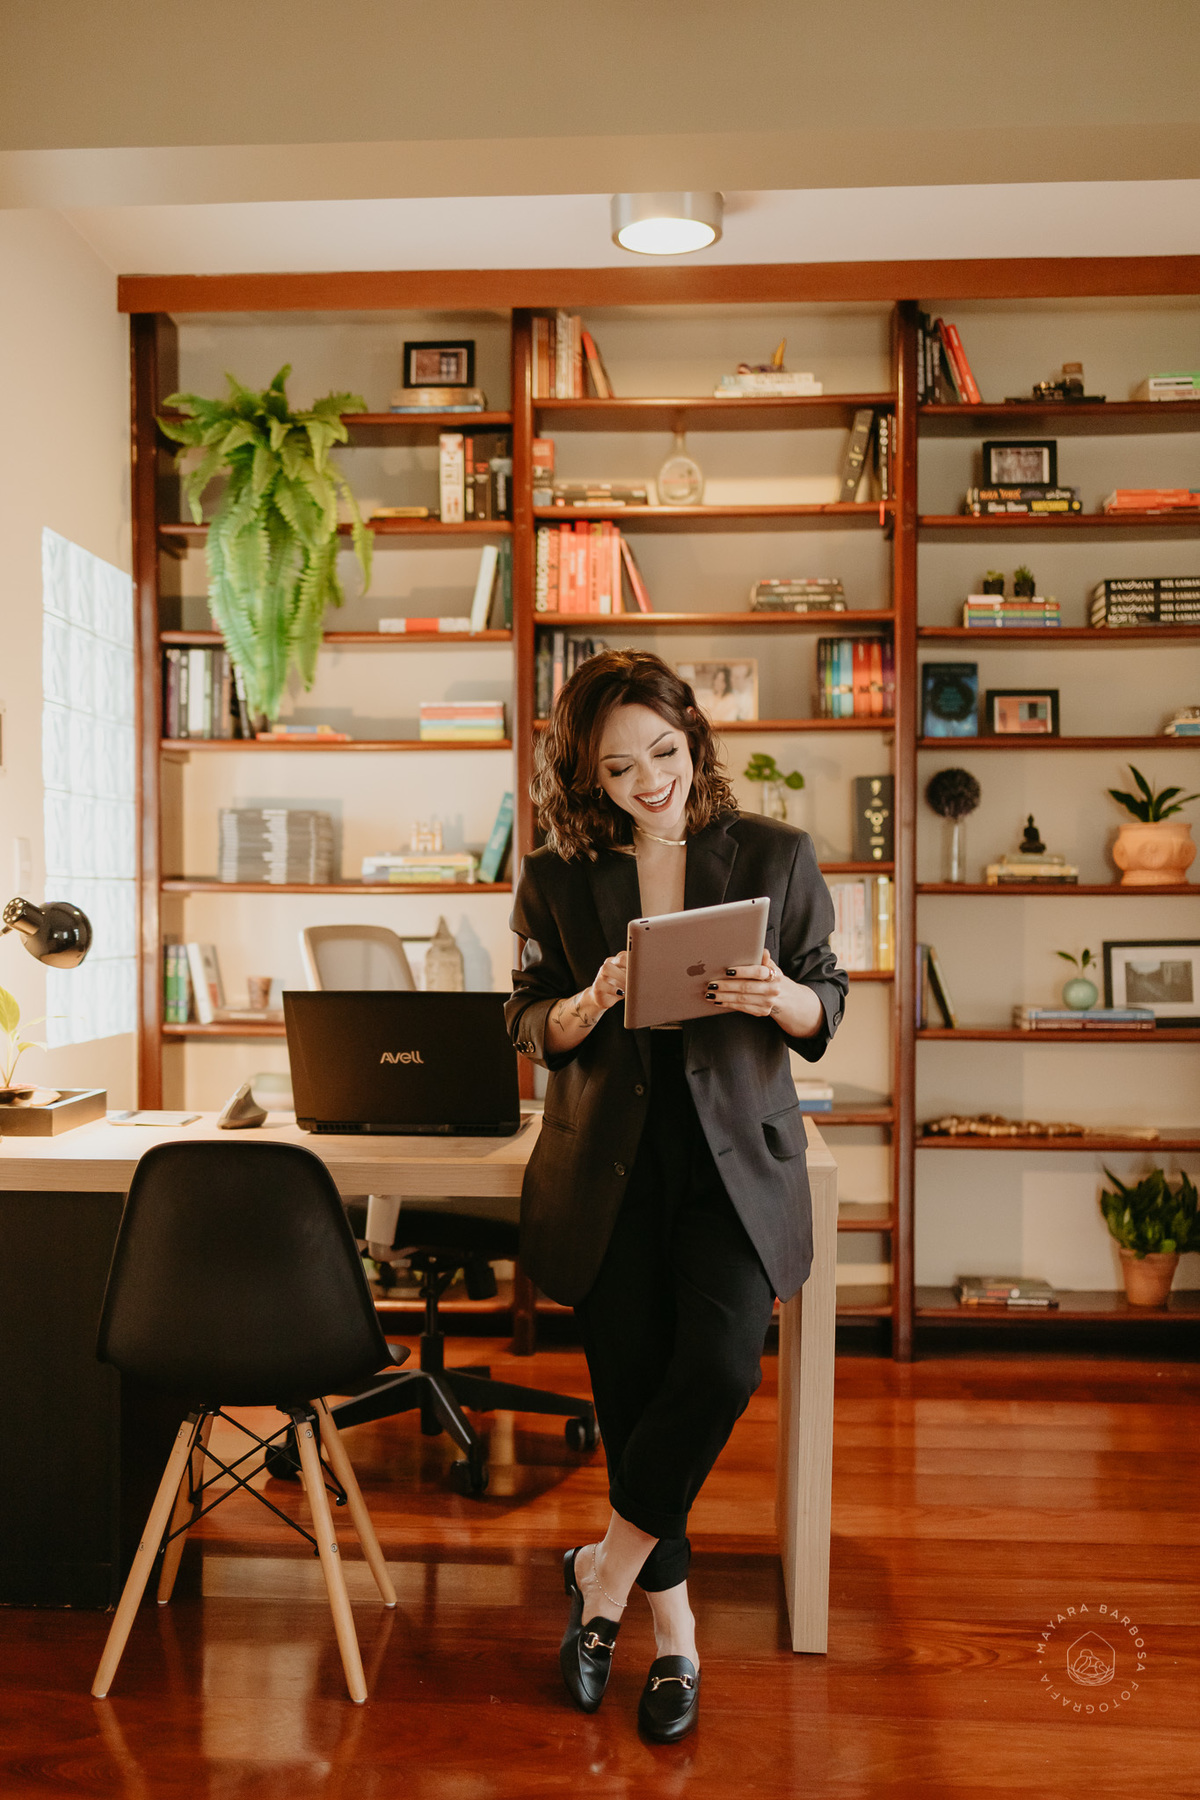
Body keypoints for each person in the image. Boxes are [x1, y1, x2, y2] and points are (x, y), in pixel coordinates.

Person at [506, 650, 846, 1743]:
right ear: (586, 778)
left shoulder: (775, 854)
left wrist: (780, 996)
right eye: (617, 768)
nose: (649, 780)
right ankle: (678, 1638)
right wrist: (586, 1004)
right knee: (637, 1398)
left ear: (693, 735)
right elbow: (524, 1019)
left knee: (711, 1370)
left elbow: (826, 991)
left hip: (733, 1169)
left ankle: (601, 1580)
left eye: (663, 750)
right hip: (608, 1167)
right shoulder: (559, 874)